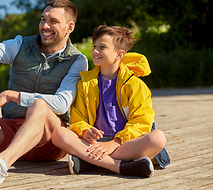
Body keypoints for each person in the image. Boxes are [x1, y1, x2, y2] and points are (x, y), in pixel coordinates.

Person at [0, 0, 88, 187]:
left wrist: (11, 95)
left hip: (49, 142)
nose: (45, 26)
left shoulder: (77, 60)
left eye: (53, 21)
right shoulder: (20, 45)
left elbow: (61, 104)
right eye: (43, 19)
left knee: (40, 107)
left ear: (70, 27)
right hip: (12, 131)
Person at [51, 25, 170, 178]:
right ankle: (118, 166)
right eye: (95, 46)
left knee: (157, 138)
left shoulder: (135, 85)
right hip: (94, 143)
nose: (95, 51)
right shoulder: (85, 84)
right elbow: (77, 118)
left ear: (119, 54)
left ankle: (90, 162)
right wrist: (85, 130)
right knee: (58, 133)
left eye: (102, 47)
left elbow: (142, 122)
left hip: (125, 143)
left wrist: (115, 143)